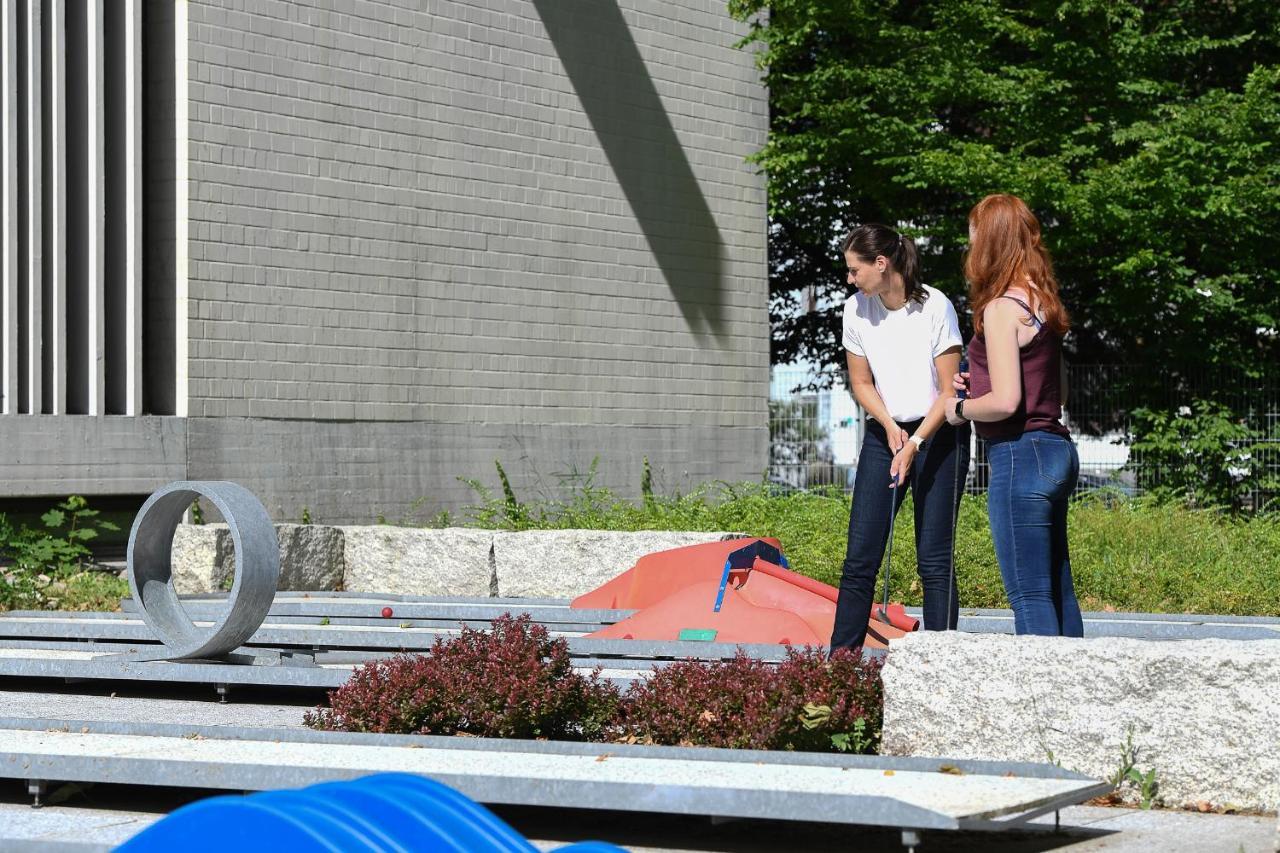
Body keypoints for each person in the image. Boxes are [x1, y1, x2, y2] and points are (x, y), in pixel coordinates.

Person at [939, 193, 1083, 637]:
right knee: (1059, 589)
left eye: (973, 232)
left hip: (1019, 456)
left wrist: (959, 408)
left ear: (990, 241)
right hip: (1057, 450)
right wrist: (977, 382)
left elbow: (1005, 402)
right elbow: (1058, 387)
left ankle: (1045, 704)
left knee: (1029, 595)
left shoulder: (1002, 309)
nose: (969, 241)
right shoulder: (1044, 302)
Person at [830, 224, 970, 650]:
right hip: (884, 435)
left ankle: (939, 664)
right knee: (860, 559)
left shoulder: (935, 307)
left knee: (934, 560)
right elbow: (861, 383)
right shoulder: (855, 310)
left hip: (939, 435)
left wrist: (915, 443)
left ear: (881, 263)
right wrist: (891, 428)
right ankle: (839, 668)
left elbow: (948, 393)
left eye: (855, 270)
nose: (850, 279)